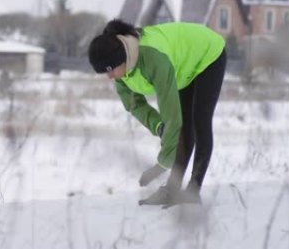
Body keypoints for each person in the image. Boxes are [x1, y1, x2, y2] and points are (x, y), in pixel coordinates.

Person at [88, 19, 226, 207]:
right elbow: (135, 105)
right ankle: (172, 191)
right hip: (182, 64)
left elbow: (172, 117)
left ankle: (193, 191)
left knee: (198, 121)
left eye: (109, 70)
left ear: (122, 58)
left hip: (207, 52)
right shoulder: (121, 74)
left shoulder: (153, 58)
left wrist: (160, 166)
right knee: (184, 128)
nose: (109, 77)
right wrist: (159, 126)